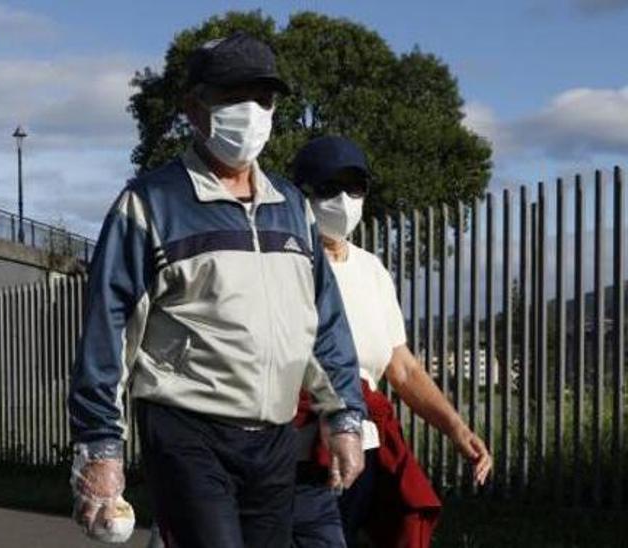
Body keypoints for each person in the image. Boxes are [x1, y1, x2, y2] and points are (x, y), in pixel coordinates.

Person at [69, 32, 368, 547]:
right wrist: (100, 448)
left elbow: (322, 322)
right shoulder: (149, 204)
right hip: (188, 431)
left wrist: (344, 415)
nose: (251, 112)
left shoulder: (293, 207)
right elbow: (108, 329)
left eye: (264, 99)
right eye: (233, 97)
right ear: (193, 107)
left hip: (274, 437)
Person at [289, 136, 493, 548]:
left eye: (355, 186)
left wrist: (456, 429)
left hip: (364, 455)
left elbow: (401, 367)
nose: (344, 200)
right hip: (297, 460)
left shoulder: (373, 271)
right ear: (302, 195)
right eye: (329, 188)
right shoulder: (283, 264)